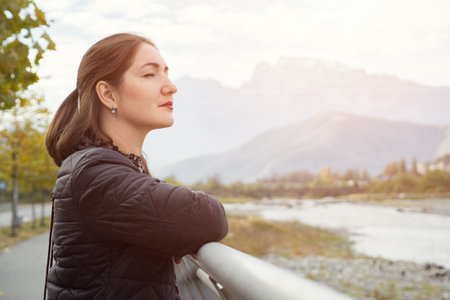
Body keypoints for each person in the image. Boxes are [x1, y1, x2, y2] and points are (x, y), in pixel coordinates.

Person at [44, 33, 228, 300]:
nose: (171, 86)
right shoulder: (95, 172)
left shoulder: (107, 167)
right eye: (150, 75)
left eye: (166, 72)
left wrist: (174, 229)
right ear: (108, 94)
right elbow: (209, 217)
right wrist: (179, 225)